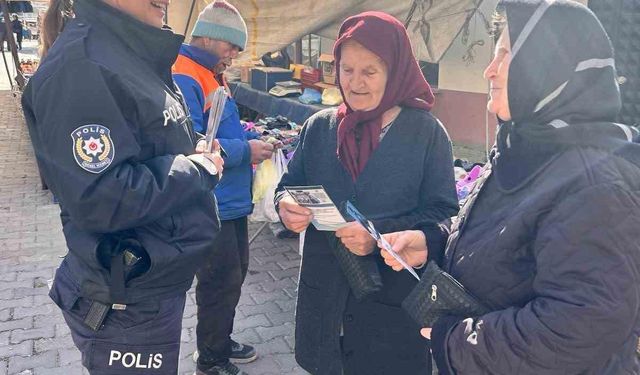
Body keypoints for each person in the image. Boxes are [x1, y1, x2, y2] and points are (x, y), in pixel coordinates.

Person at [381, 1, 640, 374]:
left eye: (504, 54)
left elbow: (575, 328)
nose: (489, 69)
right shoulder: (526, 148)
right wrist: (434, 242)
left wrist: (455, 341)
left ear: (548, 67)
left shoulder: (594, 185)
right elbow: (507, 241)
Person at [21, 0, 225, 374]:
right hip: (127, 299)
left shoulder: (127, 50)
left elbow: (147, 143)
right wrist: (197, 170)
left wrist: (193, 150)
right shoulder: (84, 66)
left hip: (150, 284)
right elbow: (101, 196)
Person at [275, 11, 459, 375]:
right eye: (347, 70)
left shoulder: (426, 134)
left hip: (391, 310)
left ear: (396, 71)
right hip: (324, 303)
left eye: (369, 72)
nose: (355, 83)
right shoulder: (320, 127)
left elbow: (443, 216)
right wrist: (286, 205)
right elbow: (289, 185)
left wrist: (378, 235)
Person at [172, 2, 275, 374]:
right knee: (218, 282)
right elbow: (191, 144)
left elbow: (221, 127)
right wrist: (244, 150)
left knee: (233, 277)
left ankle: (220, 339)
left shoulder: (211, 72)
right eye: (232, 46)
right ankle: (211, 359)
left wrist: (249, 135)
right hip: (209, 201)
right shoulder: (186, 75)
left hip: (231, 200)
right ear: (211, 37)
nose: (235, 55)